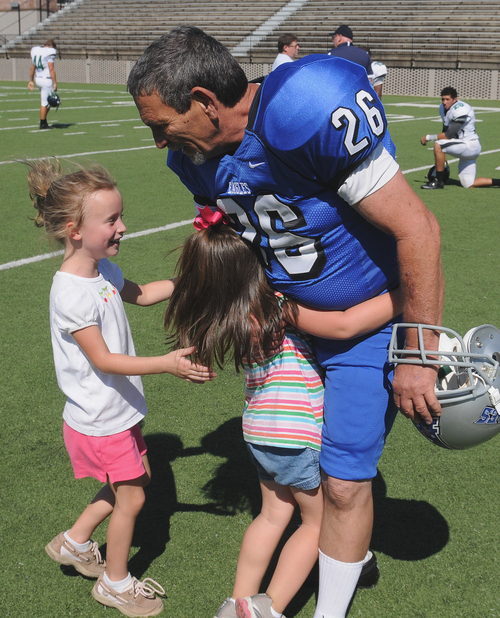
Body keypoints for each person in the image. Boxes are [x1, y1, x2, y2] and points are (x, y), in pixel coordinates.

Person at [127, 26, 443, 618]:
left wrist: (419, 352)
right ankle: (348, 552)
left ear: (204, 101)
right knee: (313, 482)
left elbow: (417, 227)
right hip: (287, 329)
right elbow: (236, 244)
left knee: (345, 482)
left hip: (368, 321)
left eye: (161, 122)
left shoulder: (303, 106)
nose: (157, 139)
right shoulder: (193, 162)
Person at [163, 208, 404, 618]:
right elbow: (344, 326)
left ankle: (237, 601)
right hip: (295, 430)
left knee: (273, 515)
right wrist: (403, 296)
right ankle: (267, 608)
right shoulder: (277, 306)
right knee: (318, 523)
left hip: (259, 429)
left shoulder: (228, 313)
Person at [28, 158, 215, 618]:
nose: (123, 227)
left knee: (136, 481)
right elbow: (104, 360)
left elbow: (145, 293)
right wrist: (168, 364)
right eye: (111, 220)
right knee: (133, 494)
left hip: (114, 412)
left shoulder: (101, 272)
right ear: (75, 229)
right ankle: (115, 582)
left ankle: (73, 542)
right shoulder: (72, 293)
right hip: (101, 417)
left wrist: (189, 279)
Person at [420, 86, 500, 189]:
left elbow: (449, 135)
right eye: (443, 99)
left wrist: (428, 137)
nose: (444, 102)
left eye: (447, 99)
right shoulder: (443, 108)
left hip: (469, 145)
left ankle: (438, 181)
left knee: (438, 145)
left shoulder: (461, 108)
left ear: (455, 99)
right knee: (468, 184)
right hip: (462, 146)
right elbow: (445, 131)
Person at [28, 39, 58, 130]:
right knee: (45, 102)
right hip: (46, 80)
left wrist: (31, 80)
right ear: (51, 46)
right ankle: (43, 123)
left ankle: (44, 121)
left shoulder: (36, 50)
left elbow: (32, 68)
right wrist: (55, 82)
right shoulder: (50, 52)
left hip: (38, 79)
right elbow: (51, 69)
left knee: (47, 102)